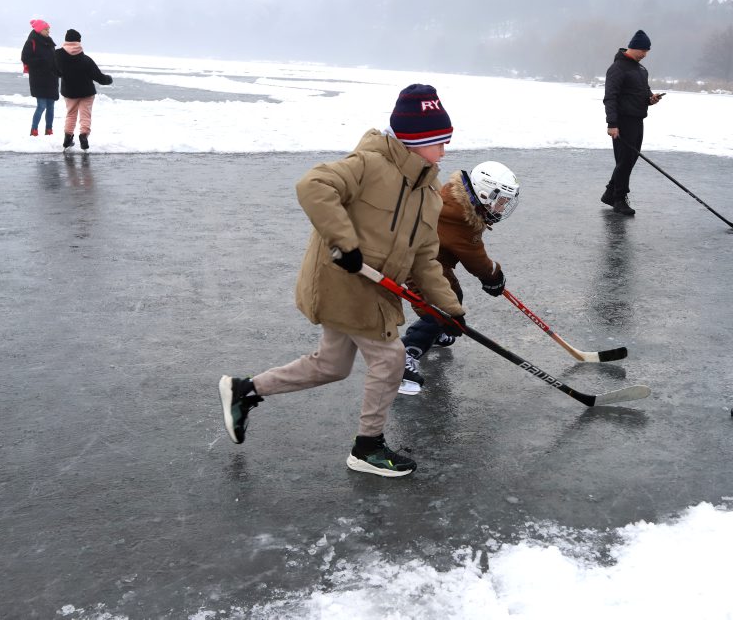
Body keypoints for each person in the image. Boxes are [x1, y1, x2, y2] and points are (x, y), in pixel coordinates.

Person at [218, 83, 465, 478]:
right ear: (415, 142)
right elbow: (313, 186)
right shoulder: (368, 164)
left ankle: (245, 391)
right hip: (344, 282)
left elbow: (425, 259)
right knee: (391, 359)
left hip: (377, 290)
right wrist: (345, 242)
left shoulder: (429, 195)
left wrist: (449, 310)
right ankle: (367, 447)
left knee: (331, 365)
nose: (444, 151)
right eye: (438, 142)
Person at [399, 161, 520, 394]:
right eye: (501, 200)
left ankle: (433, 334)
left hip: (432, 260)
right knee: (440, 310)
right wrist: (493, 276)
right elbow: (474, 257)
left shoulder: (455, 198)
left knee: (453, 297)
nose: (502, 207)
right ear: (485, 193)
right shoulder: (461, 216)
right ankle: (407, 352)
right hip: (417, 263)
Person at [602, 29, 664, 216]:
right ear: (634, 48)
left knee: (630, 160)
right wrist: (612, 124)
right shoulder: (617, 68)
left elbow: (643, 92)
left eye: (647, 52)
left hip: (638, 120)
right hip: (622, 121)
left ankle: (609, 193)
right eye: (643, 51)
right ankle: (619, 199)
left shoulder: (641, 70)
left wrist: (650, 99)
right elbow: (610, 97)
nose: (645, 55)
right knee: (625, 161)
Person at [55, 29, 113, 150]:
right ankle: (83, 136)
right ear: (79, 42)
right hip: (87, 92)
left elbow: (54, 71)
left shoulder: (57, 55)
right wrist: (109, 79)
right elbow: (99, 77)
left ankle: (67, 138)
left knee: (71, 115)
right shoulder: (86, 59)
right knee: (85, 115)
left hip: (69, 92)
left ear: (66, 40)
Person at [21, 19, 59, 137]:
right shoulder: (31, 42)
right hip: (39, 78)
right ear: (39, 29)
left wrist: (59, 72)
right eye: (46, 29)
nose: (48, 31)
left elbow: (54, 61)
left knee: (51, 106)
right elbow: (25, 58)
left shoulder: (50, 42)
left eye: (48, 29)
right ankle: (34, 130)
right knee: (41, 105)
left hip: (52, 78)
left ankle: (49, 130)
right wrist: (42, 62)